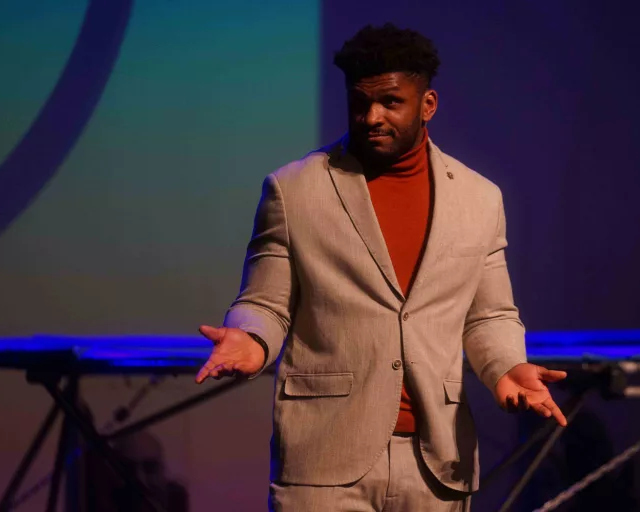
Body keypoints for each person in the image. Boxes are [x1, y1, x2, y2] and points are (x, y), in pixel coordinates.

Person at [196, 23, 567, 511]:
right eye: (360, 102)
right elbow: (265, 302)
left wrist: (506, 366)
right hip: (324, 460)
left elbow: (489, 314)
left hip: (437, 462)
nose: (372, 116)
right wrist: (251, 337)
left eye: (391, 102)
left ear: (427, 105)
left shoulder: (479, 198)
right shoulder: (295, 189)